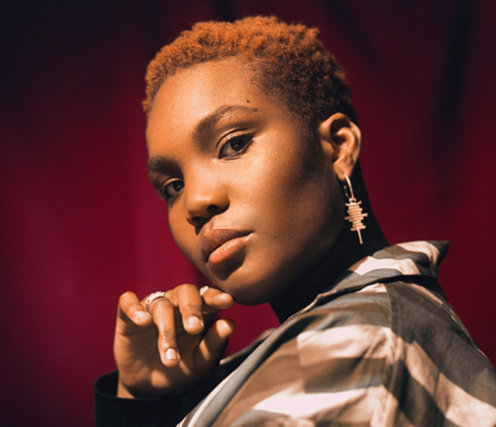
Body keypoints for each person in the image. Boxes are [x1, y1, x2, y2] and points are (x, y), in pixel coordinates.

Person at [94, 16, 496, 426]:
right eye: (173, 186)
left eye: (234, 144)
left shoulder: (350, 356)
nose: (196, 202)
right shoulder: (332, 341)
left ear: (338, 146)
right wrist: (144, 399)